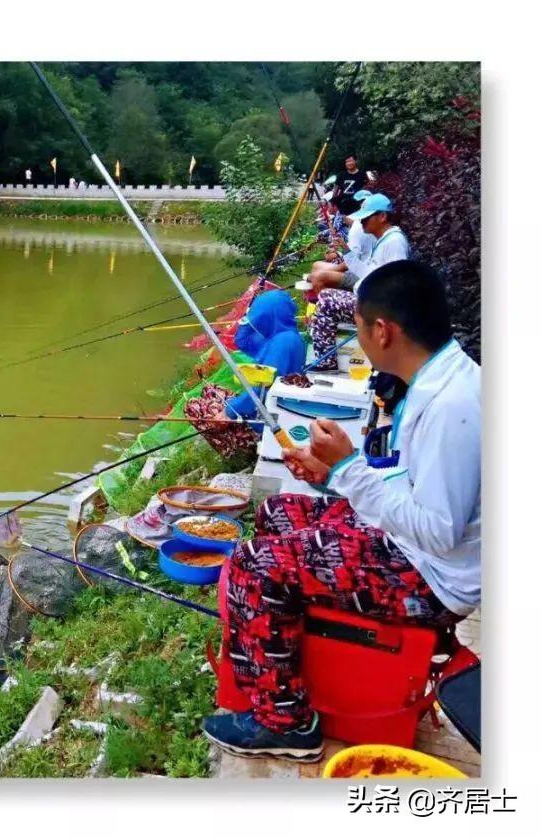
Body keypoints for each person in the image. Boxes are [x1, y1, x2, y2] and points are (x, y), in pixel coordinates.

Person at [202, 260, 480, 762]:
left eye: (358, 324)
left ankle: (285, 723)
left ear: (383, 331)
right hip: (408, 546)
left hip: (428, 577)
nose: (356, 333)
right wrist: (331, 474)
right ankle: (303, 659)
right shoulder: (438, 378)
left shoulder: (453, 406)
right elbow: (408, 483)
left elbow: (438, 531)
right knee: (281, 513)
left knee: (252, 564)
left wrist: (348, 469)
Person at [185, 290, 306, 458]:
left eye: (259, 316)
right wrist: (245, 320)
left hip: (264, 420)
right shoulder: (283, 336)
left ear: (267, 317)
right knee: (209, 390)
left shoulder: (282, 345)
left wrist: (229, 412)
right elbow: (242, 341)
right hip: (264, 403)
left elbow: (263, 388)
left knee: (192, 407)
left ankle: (234, 451)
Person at [310, 193, 410, 371]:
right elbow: (369, 272)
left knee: (326, 298)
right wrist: (347, 252)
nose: (362, 222)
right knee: (326, 296)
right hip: (370, 298)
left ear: (382, 216)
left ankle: (326, 361)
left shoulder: (394, 242)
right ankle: (327, 356)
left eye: (366, 218)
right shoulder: (383, 240)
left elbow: (396, 282)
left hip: (380, 308)